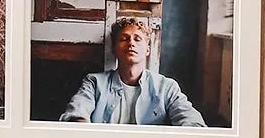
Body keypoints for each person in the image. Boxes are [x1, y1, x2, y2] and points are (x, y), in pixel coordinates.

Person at [59, 18, 205, 126]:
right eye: (124, 38)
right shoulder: (94, 82)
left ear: (147, 50)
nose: (131, 43)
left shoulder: (166, 87)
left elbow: (190, 118)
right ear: (114, 49)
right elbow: (77, 112)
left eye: (137, 39)